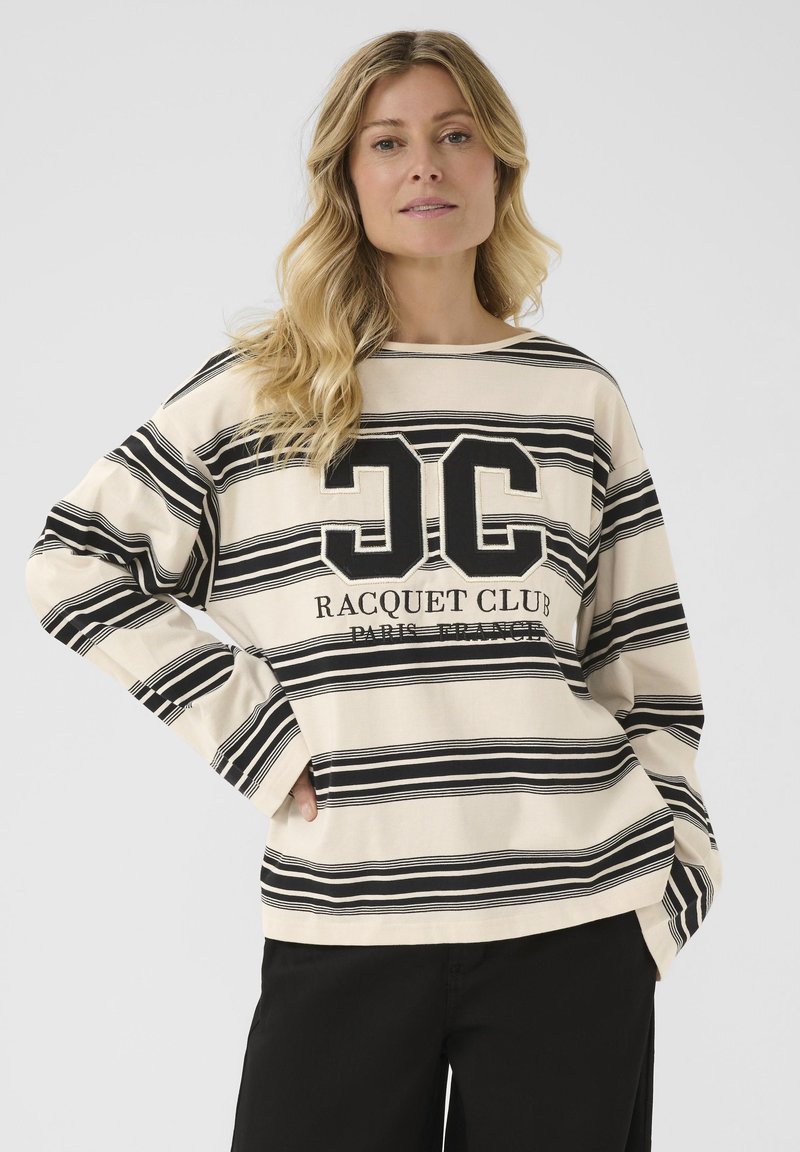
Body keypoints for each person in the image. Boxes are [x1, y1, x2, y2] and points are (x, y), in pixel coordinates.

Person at [24, 28, 722, 1152]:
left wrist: (674, 870)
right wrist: (254, 735)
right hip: (345, 918)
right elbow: (76, 559)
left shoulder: (576, 398)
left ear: (499, 165)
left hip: (575, 916)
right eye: (386, 142)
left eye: (455, 135)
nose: (424, 165)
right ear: (345, 178)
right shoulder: (260, 393)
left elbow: (643, 660)